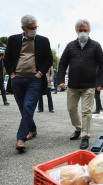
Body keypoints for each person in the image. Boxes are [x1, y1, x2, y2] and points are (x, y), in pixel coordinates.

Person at [4, 15, 53, 151]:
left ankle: (21, 138)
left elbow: (49, 59)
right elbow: (6, 59)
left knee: (28, 107)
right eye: (31, 28)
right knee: (23, 109)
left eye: (35, 27)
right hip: (17, 79)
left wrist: (39, 74)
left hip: (34, 80)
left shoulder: (43, 41)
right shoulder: (13, 39)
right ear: (23, 28)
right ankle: (32, 129)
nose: (34, 30)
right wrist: (12, 75)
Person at [58, 19, 103, 149]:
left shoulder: (96, 46)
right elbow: (62, 63)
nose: (83, 33)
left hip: (89, 85)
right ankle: (78, 128)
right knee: (71, 109)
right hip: (73, 85)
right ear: (76, 31)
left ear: (89, 31)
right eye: (80, 30)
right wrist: (60, 80)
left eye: (85, 30)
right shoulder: (70, 46)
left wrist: (102, 82)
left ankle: (85, 136)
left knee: (86, 111)